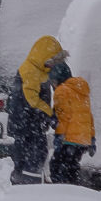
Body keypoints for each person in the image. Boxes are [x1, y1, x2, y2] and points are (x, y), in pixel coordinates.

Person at [9, 35, 65, 184]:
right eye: (52, 61)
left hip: (29, 122)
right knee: (33, 154)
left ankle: (25, 181)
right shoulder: (30, 71)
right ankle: (29, 186)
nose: (53, 66)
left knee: (33, 153)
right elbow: (32, 100)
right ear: (44, 57)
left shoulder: (39, 70)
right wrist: (50, 114)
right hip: (26, 123)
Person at [49, 67, 94, 185]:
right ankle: (74, 192)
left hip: (68, 139)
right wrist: (92, 138)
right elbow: (89, 116)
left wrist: (59, 135)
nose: (52, 86)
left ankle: (63, 195)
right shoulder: (81, 90)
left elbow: (64, 117)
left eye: (52, 81)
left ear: (58, 79)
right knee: (72, 168)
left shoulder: (61, 90)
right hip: (83, 139)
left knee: (56, 167)